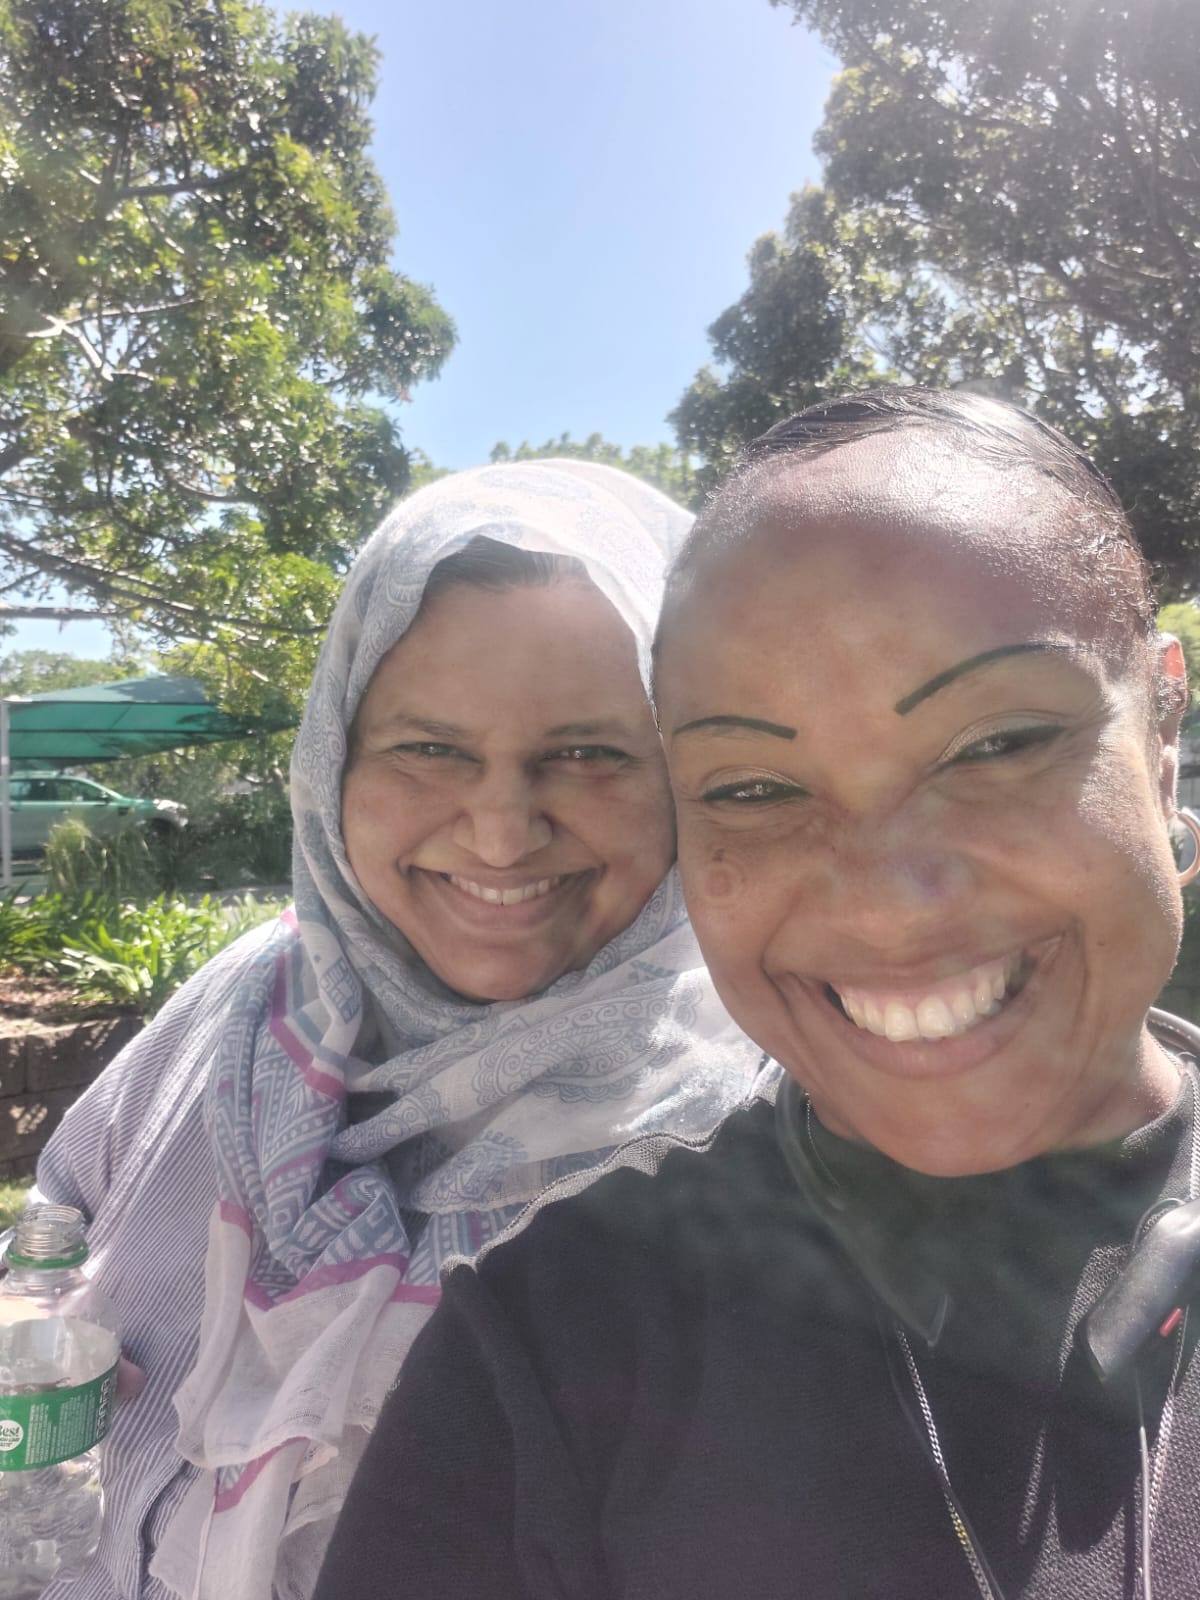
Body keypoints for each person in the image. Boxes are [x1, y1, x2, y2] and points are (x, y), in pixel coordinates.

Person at [314, 390, 1200, 1600]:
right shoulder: (553, 1345)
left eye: (996, 744)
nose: (889, 904)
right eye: (752, 789)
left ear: (1163, 724)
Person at [31, 460, 761, 1600]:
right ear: (336, 761)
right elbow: (56, 1227)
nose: (502, 833)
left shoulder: (746, 1151)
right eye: (431, 747)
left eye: (589, 753)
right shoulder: (243, 1011)